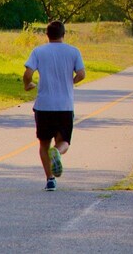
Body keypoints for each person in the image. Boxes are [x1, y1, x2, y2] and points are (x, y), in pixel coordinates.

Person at [23, 21, 86, 191]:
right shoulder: (73, 51)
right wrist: (70, 82)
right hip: (64, 105)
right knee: (64, 140)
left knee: (44, 144)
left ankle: (50, 179)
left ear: (47, 35)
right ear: (63, 34)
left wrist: (28, 84)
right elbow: (81, 74)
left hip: (44, 105)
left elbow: (28, 73)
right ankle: (57, 151)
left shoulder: (39, 51)